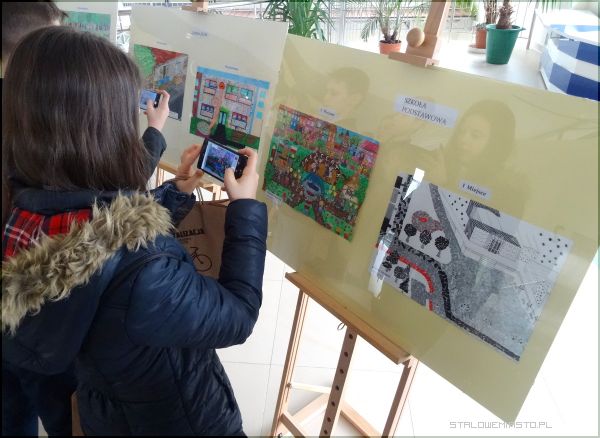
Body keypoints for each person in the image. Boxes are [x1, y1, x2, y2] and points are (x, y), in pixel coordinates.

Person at [2, 26, 266, 436]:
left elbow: (106, 234)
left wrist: (176, 192)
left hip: (109, 411)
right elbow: (239, 316)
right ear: (101, 130)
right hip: (178, 420)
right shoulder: (145, 272)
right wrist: (245, 208)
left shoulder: (24, 212)